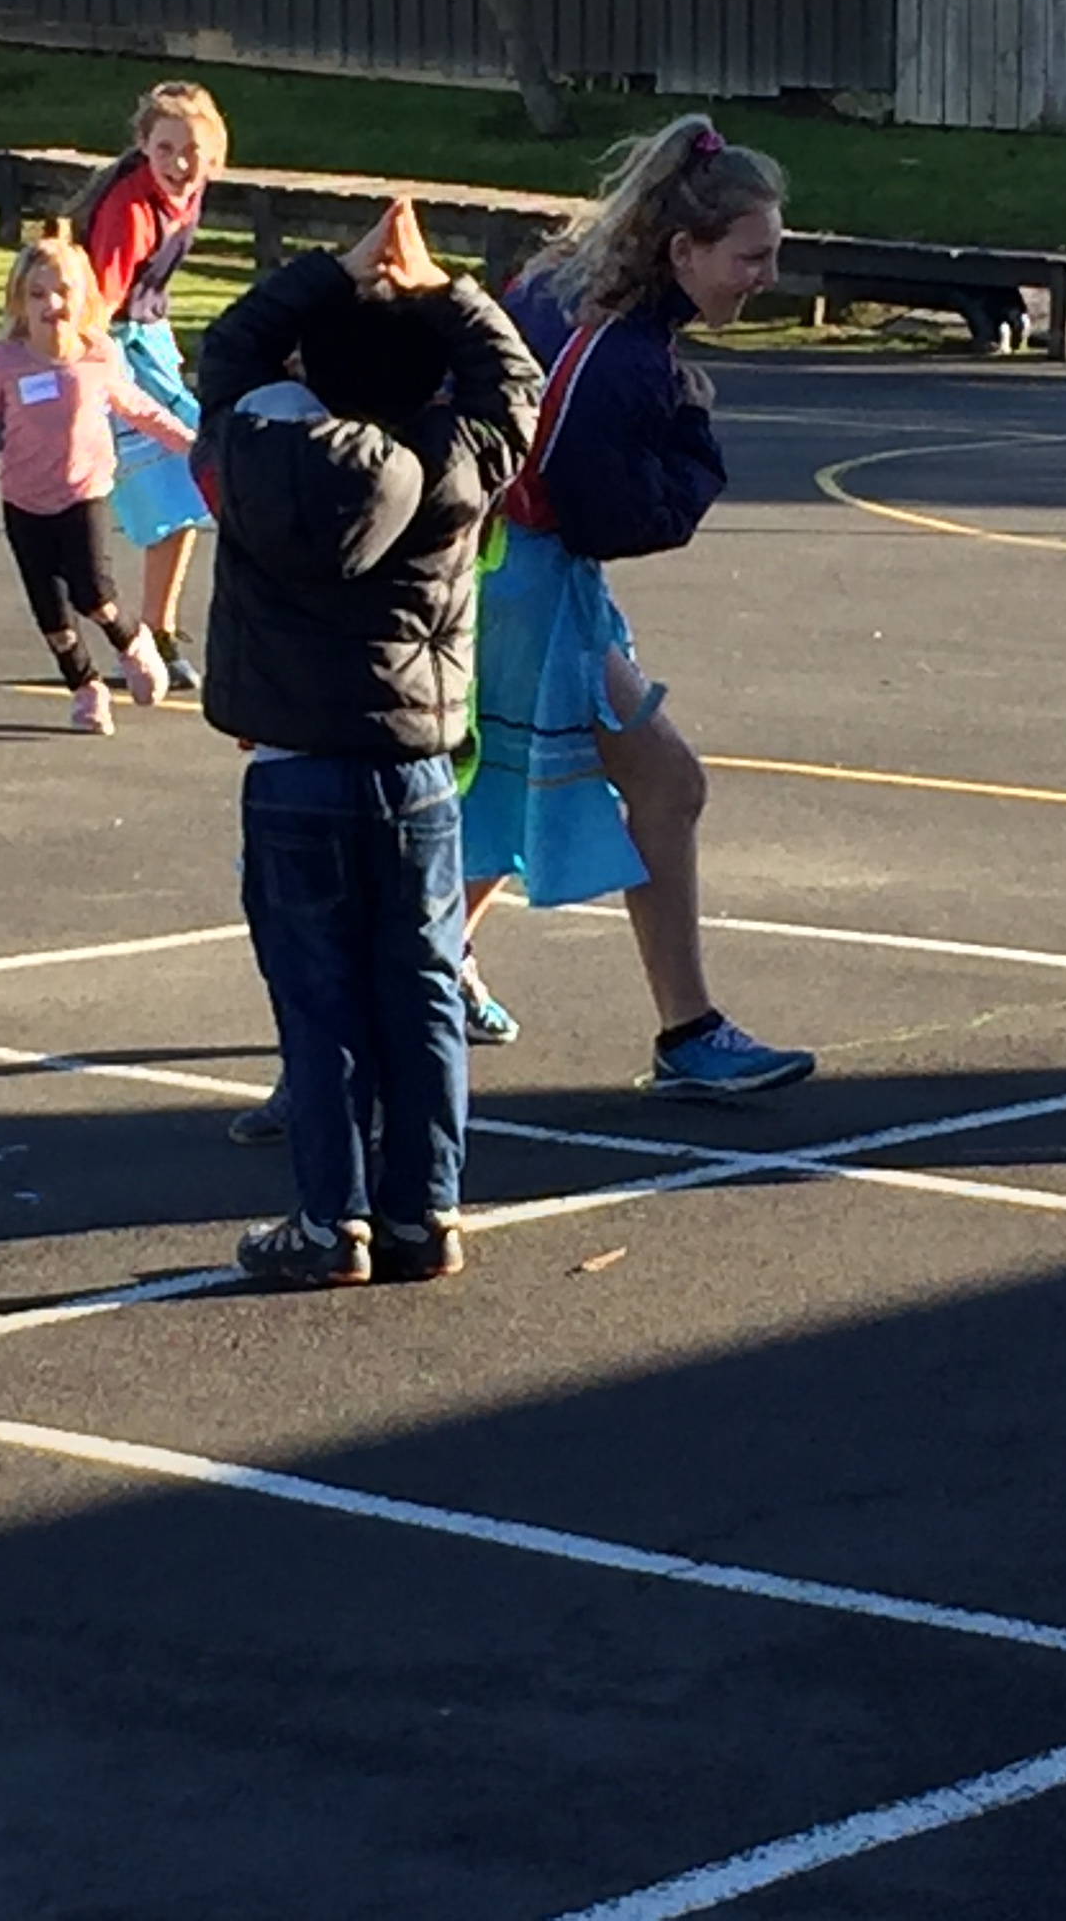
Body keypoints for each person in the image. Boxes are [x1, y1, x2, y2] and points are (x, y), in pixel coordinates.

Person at [191, 200, 543, 1287]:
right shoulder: (455, 459)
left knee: (318, 999)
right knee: (422, 988)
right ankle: (426, 1211)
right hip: (413, 766)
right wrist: (446, 293)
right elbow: (515, 387)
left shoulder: (247, 446)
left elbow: (229, 348)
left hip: (293, 765)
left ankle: (328, 1219)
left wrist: (331, 272)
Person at [457, 114, 815, 1101]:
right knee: (666, 783)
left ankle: (433, 960)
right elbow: (615, 517)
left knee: (508, 784)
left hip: (492, 567)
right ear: (684, 250)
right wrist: (692, 435)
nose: (766, 276)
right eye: (751, 256)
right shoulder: (623, 359)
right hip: (528, 586)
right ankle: (687, 1033)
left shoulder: (562, 284)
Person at [0, 233, 198, 735]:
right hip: (24, 502)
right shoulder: (5, 364)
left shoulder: (99, 355)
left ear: (84, 296)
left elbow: (139, 408)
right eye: (37, 295)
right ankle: (86, 689)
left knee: (94, 594)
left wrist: (189, 443)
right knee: (54, 618)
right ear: (19, 302)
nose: (52, 305)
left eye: (63, 292)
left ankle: (133, 643)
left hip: (84, 492)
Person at [75, 80, 227, 693]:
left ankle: (156, 629)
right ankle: (139, 637)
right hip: (112, 347)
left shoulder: (186, 193)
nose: (179, 164)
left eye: (192, 151)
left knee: (189, 478)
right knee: (168, 484)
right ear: (143, 146)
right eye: (165, 149)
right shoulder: (130, 211)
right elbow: (98, 308)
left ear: (214, 156)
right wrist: (100, 383)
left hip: (148, 336)